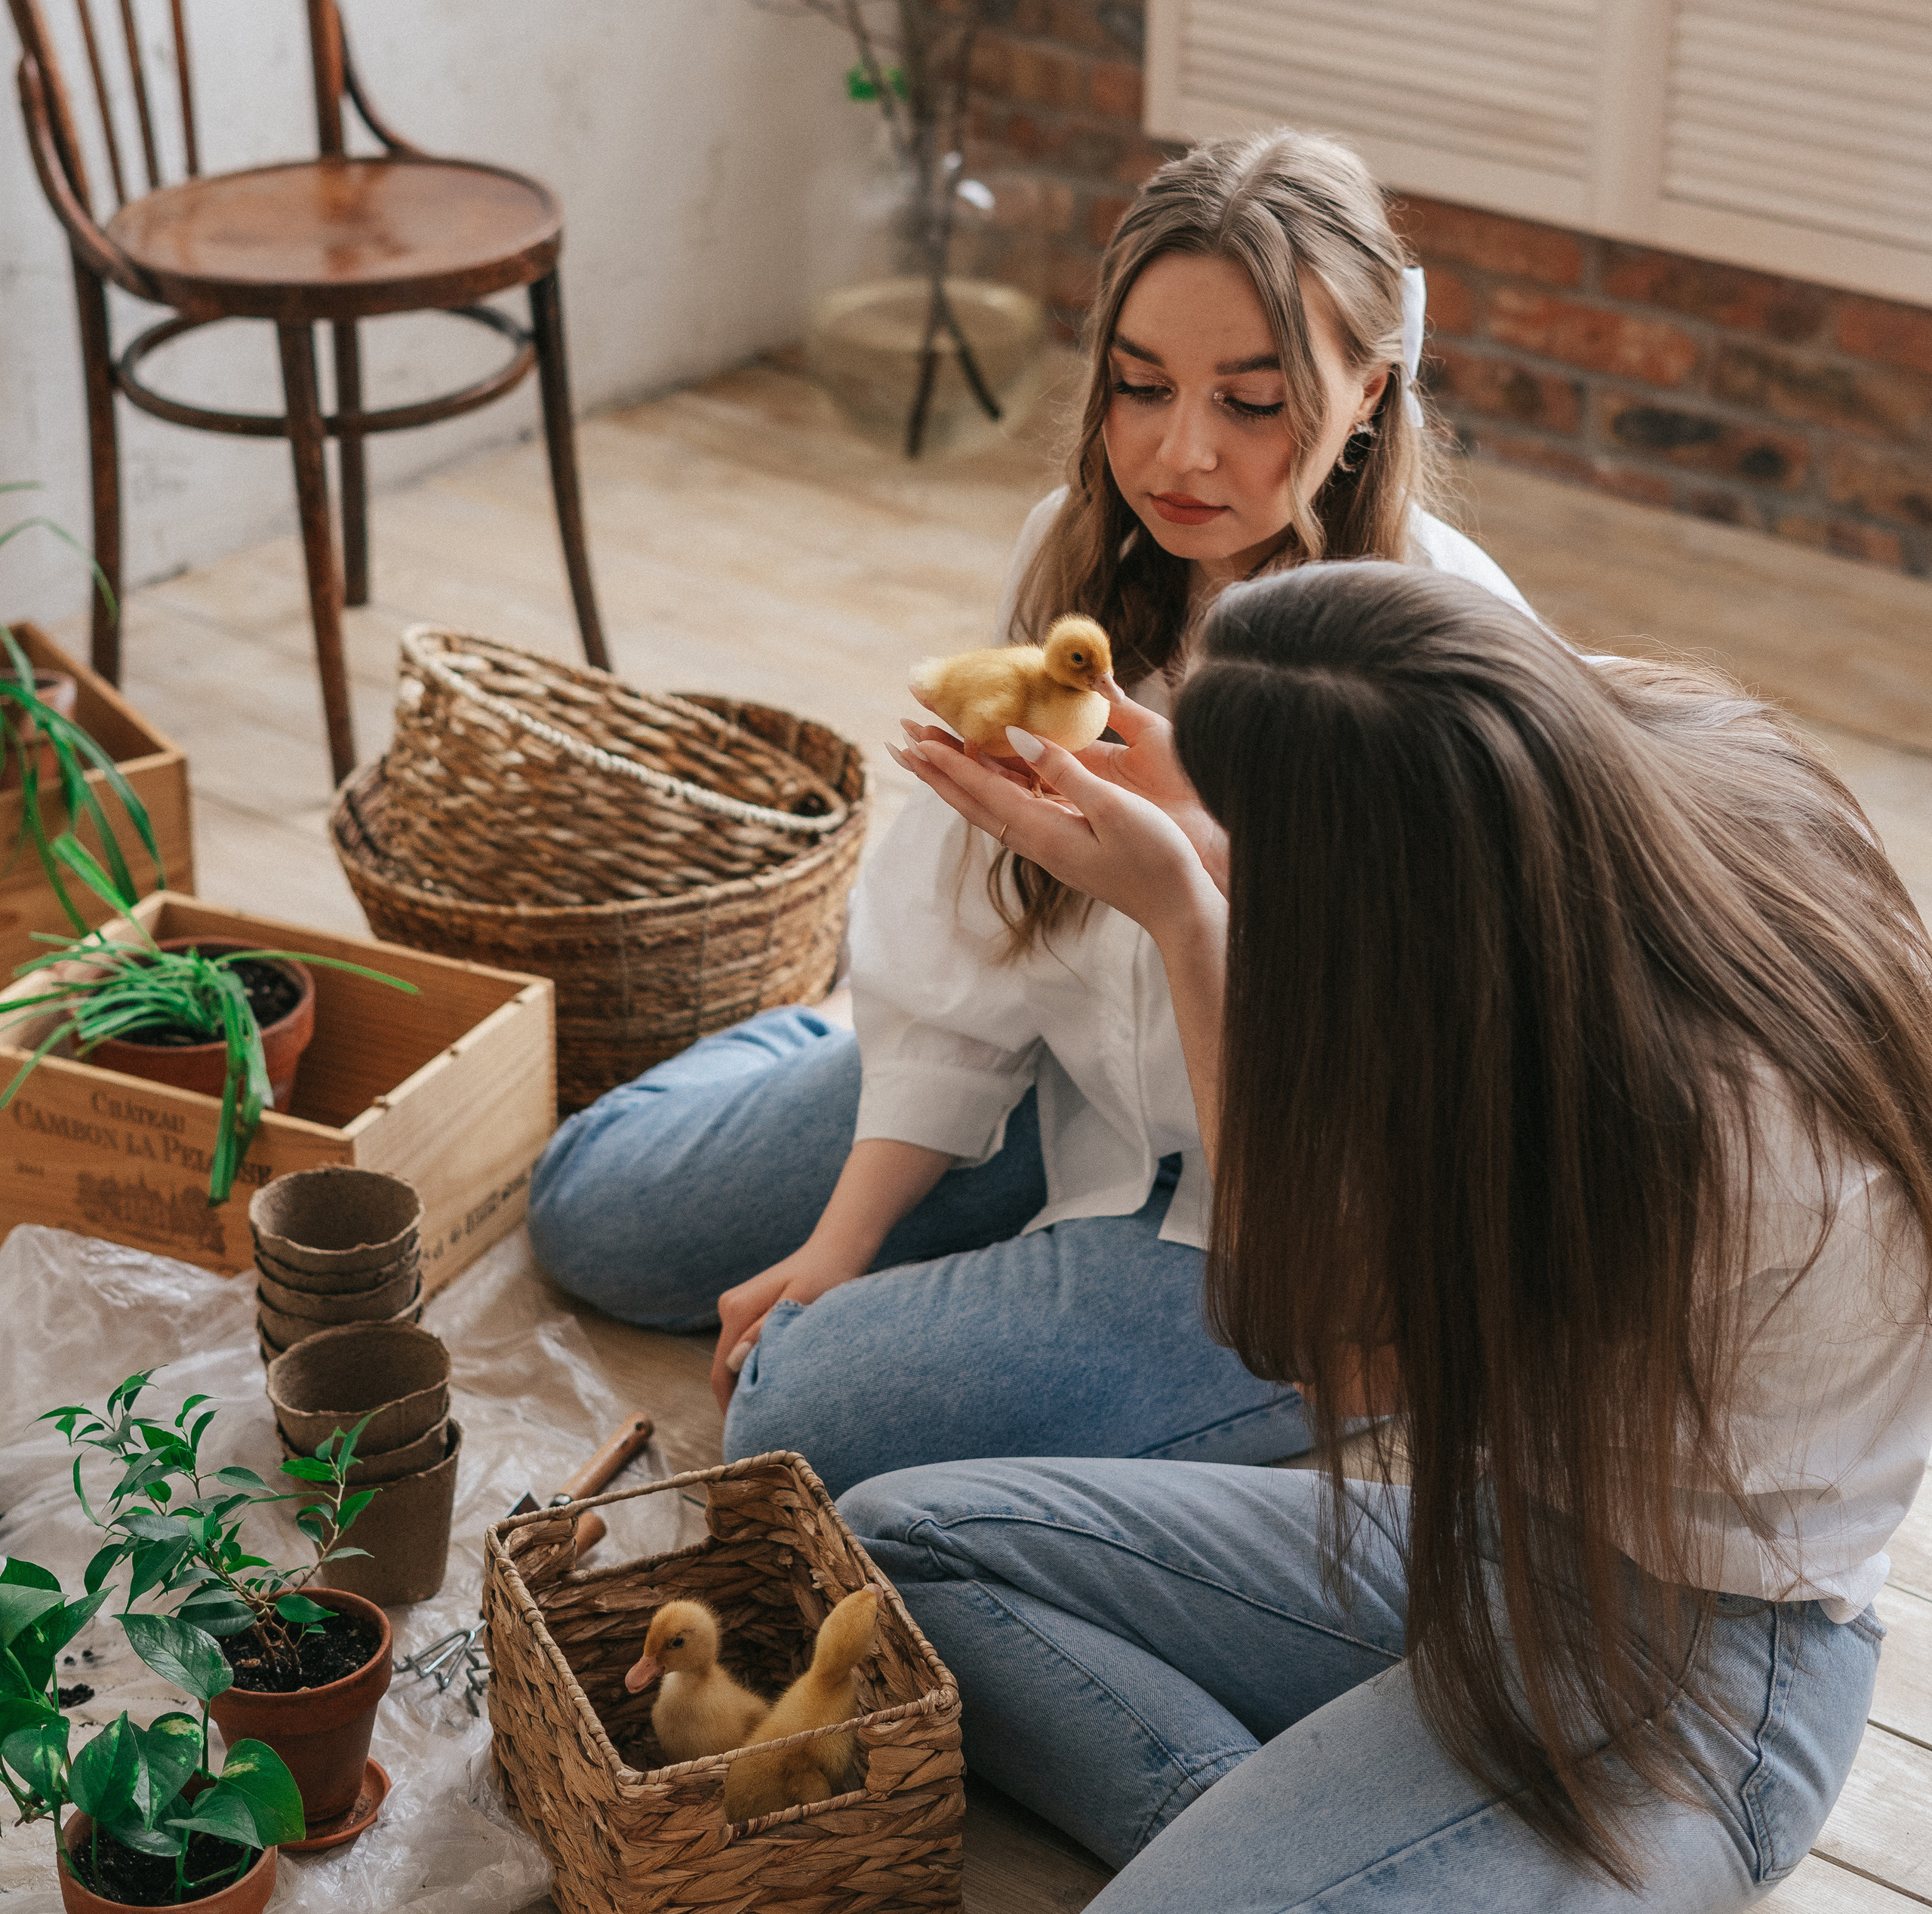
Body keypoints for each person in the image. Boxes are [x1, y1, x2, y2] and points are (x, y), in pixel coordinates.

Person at [844, 565, 1932, 1914]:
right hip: (1525, 1537)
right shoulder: (1670, 765)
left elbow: (1313, 1333)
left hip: (1696, 1676)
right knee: (891, 1544)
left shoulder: (1662, 1128)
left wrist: (1187, 912)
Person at [527, 129, 1532, 1495]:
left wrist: (1206, 876)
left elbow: (1436, 1107)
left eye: (1254, 403)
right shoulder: (1078, 557)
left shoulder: (1439, 659)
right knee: (592, 1215)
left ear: (1369, 392)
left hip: (1280, 1235)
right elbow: (974, 938)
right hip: (1068, 1085)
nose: (1180, 453)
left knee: (793, 1411)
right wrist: (840, 1242)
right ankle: (832, 1044)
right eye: (1139, 386)